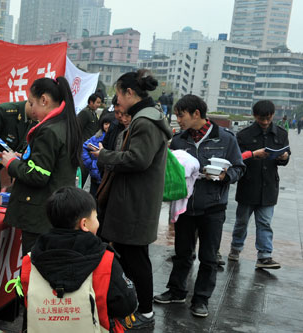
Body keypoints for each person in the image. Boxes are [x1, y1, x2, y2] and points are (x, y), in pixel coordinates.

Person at [91, 70, 172, 329]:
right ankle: (135, 305)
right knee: (131, 254)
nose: (117, 101)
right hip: (135, 199)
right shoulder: (146, 118)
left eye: (118, 94)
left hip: (135, 202)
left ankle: (146, 312)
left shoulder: (145, 122)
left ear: (129, 93)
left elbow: (138, 159)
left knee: (136, 257)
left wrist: (104, 155)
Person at [154, 94, 244, 318]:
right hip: (185, 205)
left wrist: (225, 176)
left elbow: (239, 168)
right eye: (176, 115)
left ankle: (201, 299)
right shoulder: (179, 140)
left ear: (196, 114)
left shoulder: (225, 139)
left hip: (213, 206)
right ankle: (176, 291)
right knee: (182, 253)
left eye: (181, 115)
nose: (178, 120)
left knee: (209, 256)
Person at [20, 187, 137, 332]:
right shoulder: (105, 261)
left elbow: (25, 299)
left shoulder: (30, 261)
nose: (98, 222)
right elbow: (126, 305)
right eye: (95, 217)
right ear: (84, 224)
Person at [0, 77, 83, 255]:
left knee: (35, 269)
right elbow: (52, 164)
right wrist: (25, 158)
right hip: (57, 210)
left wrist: (11, 164)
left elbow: (38, 175)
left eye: (32, 103)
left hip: (40, 215)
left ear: (44, 100)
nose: (31, 109)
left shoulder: (48, 131)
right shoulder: (66, 125)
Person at [228, 100, 290, 269]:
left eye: (268, 119)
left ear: (272, 115)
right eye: (261, 119)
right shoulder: (244, 135)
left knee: (265, 222)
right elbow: (236, 157)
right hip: (249, 185)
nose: (264, 122)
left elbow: (286, 155)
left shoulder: (281, 134)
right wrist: (253, 154)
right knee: (241, 222)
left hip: (269, 186)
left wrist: (284, 157)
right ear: (255, 116)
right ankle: (236, 248)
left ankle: (264, 255)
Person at [82, 115, 112, 198]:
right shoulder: (96, 138)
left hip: (107, 176)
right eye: (105, 124)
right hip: (95, 174)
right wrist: (89, 163)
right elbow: (84, 147)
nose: (108, 126)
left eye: (110, 124)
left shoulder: (116, 137)